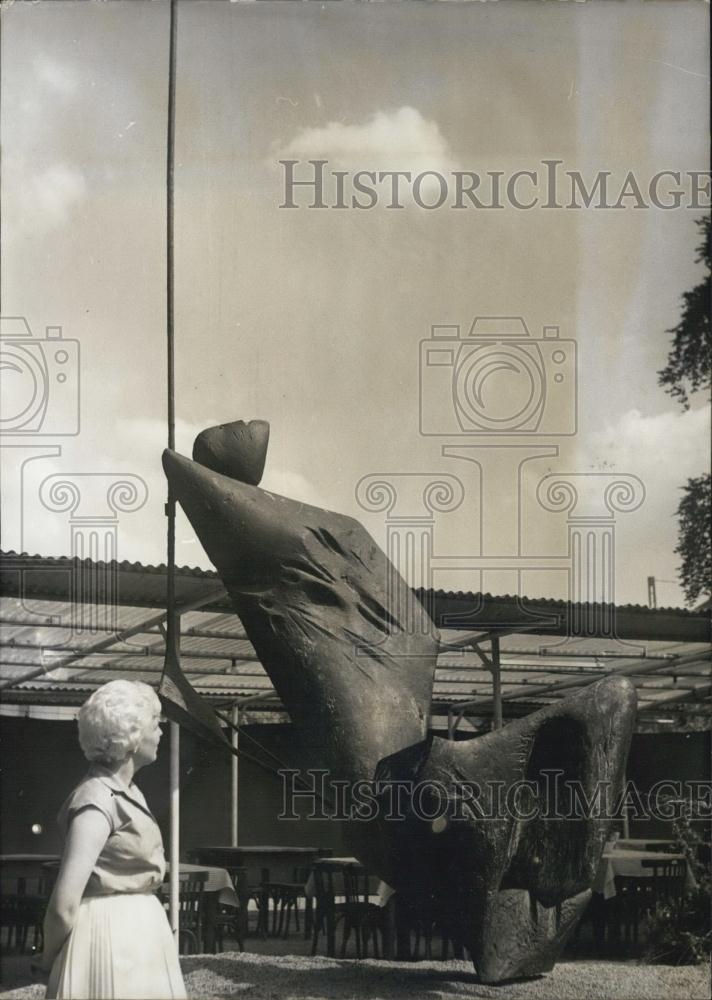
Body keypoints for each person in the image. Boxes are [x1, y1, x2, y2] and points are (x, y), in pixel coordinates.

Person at [36, 680, 186, 999]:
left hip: (140, 940)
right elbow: (63, 905)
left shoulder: (131, 792)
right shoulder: (95, 800)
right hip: (107, 940)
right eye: (155, 724)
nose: (160, 733)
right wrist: (49, 960)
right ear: (130, 734)